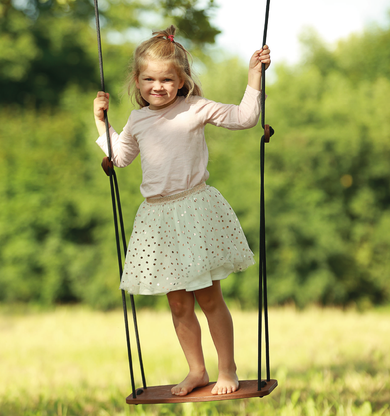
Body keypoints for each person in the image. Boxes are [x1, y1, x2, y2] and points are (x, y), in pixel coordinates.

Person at [93, 25, 271, 396]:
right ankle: (196, 370)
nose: (157, 86)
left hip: (194, 211)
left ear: (181, 80)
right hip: (158, 219)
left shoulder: (194, 108)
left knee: (209, 298)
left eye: (166, 80)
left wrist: (254, 76)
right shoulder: (138, 121)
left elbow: (244, 118)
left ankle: (227, 369)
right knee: (178, 304)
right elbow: (121, 157)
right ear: (137, 81)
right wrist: (102, 122)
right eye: (149, 79)